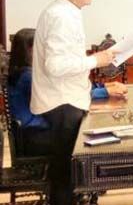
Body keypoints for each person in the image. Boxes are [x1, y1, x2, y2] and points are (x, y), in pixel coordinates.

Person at [31, 0, 116, 205]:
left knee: (67, 174)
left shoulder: (64, 12)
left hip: (66, 99)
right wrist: (96, 60)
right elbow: (56, 66)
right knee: (65, 176)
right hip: (61, 105)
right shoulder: (61, 16)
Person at [8, 28, 126, 157]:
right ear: (29, 50)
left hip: (40, 131)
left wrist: (104, 87)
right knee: (83, 139)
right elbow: (66, 95)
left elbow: (69, 87)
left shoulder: (28, 73)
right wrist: (104, 91)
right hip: (36, 135)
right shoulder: (28, 77)